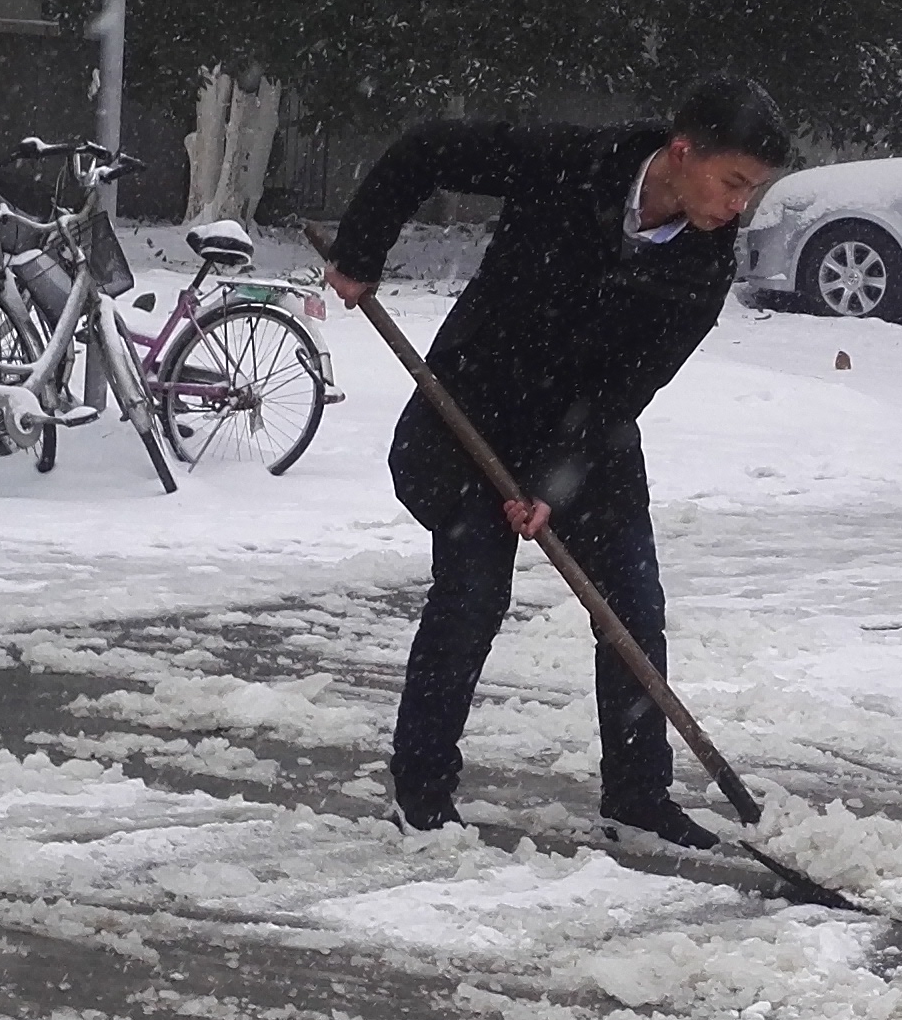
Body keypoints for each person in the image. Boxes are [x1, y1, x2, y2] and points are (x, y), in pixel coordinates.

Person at [320, 77, 794, 848]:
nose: (739, 204)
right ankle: (423, 791)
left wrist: (552, 483)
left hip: (584, 436)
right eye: (733, 181)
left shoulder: (701, 270)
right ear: (682, 152)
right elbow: (430, 148)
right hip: (469, 412)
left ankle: (638, 798)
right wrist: (363, 246)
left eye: (754, 190)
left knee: (634, 609)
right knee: (472, 593)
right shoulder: (575, 162)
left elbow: (623, 391)